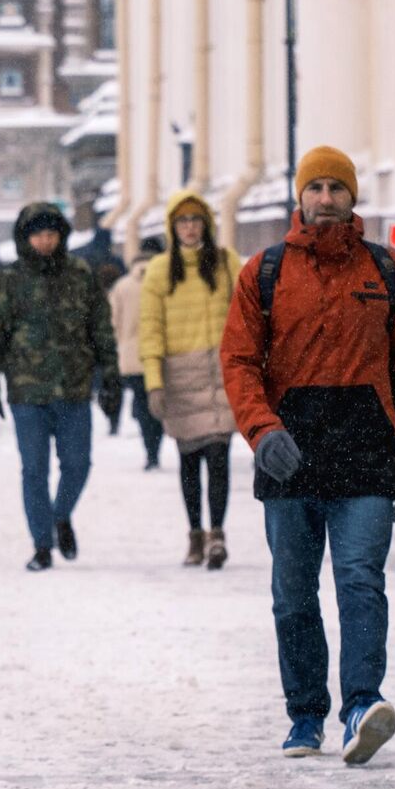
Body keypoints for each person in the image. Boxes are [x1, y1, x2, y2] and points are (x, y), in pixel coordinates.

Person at [221, 146, 395, 765]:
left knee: (361, 582)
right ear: (300, 197)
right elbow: (238, 363)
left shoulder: (386, 272)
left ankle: (362, 704)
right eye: (317, 186)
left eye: (338, 186)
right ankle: (305, 713)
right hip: (291, 459)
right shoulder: (264, 272)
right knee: (293, 592)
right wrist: (263, 433)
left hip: (367, 455)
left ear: (354, 197)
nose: (327, 197)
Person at [0, 202, 122, 571]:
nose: (45, 241)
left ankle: (61, 516)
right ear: (26, 238)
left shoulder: (80, 274)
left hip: (74, 387)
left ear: (62, 236)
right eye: (38, 234)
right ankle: (42, 544)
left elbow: (101, 328)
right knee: (34, 470)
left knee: (78, 464)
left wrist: (110, 377)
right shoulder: (9, 280)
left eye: (52, 234)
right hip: (27, 392)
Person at [141, 192, 240, 569]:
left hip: (220, 372)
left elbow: (246, 315)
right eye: (182, 221)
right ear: (172, 227)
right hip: (179, 375)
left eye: (196, 220)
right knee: (189, 459)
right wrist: (154, 381)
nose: (189, 227)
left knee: (218, 455)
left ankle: (217, 533)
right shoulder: (159, 271)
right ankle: (194, 533)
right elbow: (151, 329)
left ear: (206, 224)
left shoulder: (227, 263)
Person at [111, 235, 167, 468]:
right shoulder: (166, 281)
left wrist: (120, 345)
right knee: (159, 404)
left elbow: (114, 322)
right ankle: (156, 446)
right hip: (161, 354)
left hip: (131, 356)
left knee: (143, 404)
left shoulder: (122, 286)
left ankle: (149, 452)